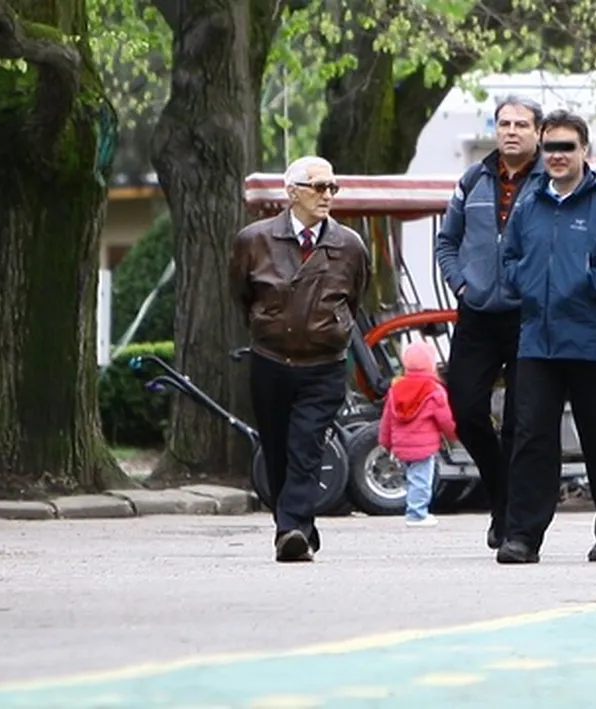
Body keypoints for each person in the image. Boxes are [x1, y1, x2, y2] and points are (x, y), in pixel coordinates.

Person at [494, 109, 596, 564]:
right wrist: (525, 281)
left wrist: (586, 282)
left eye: (567, 147)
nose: (557, 156)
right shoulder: (529, 204)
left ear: (584, 151)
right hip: (537, 341)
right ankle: (522, 536)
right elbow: (510, 259)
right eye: (551, 147)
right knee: (531, 438)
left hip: (591, 342)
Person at [228, 155, 371, 563]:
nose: (328, 195)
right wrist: (265, 325)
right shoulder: (253, 240)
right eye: (318, 187)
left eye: (332, 187)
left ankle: (291, 530)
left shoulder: (349, 245)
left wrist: (333, 331)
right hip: (271, 360)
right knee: (275, 449)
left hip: (324, 364)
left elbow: (355, 298)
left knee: (305, 446)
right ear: (292, 193)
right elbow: (241, 294)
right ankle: (297, 527)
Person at [434, 95, 546, 550]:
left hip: (526, 315)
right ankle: (500, 489)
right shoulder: (472, 180)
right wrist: (463, 286)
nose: (512, 131)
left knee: (520, 422)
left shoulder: (548, 181)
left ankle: (510, 517)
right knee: (465, 410)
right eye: (504, 123)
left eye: (521, 124)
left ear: (538, 131)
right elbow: (447, 242)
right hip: (476, 313)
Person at [378, 340, 459, 528]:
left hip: (401, 446)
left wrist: (386, 441)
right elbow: (445, 418)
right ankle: (417, 513)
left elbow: (387, 419)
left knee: (412, 478)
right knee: (422, 479)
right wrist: (454, 435)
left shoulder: (396, 388)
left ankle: (413, 508)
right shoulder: (434, 390)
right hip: (424, 447)